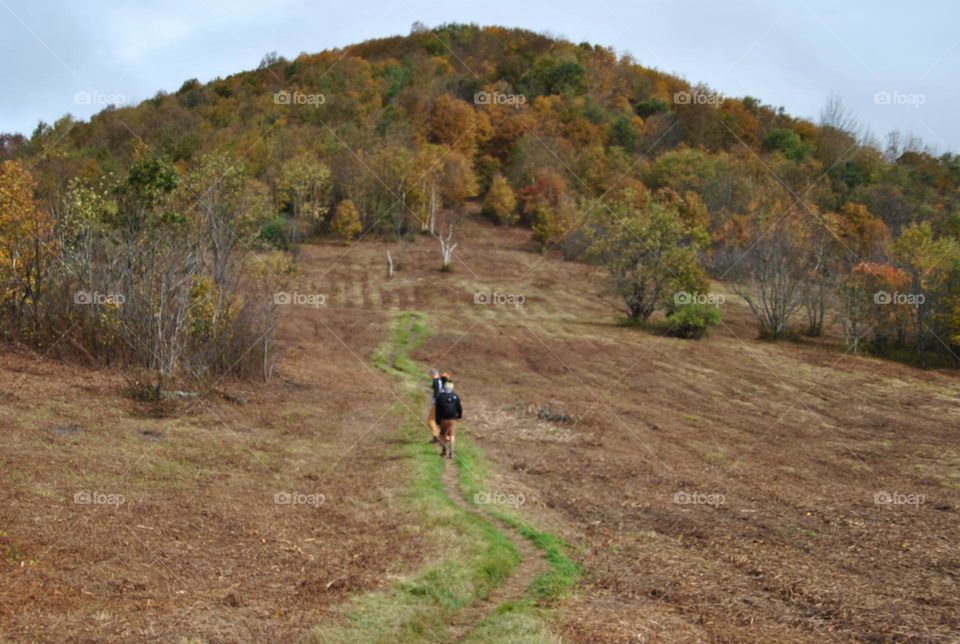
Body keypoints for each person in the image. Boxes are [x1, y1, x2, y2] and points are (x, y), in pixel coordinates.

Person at [434, 381, 462, 459]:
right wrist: (459, 415)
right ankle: (452, 453)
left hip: (443, 418)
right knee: (452, 435)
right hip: (453, 418)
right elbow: (459, 408)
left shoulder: (440, 397)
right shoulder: (455, 396)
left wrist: (437, 420)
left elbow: (437, 409)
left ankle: (444, 450)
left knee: (443, 435)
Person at [426, 369, 449, 443]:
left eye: (430, 375)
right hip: (444, 403)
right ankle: (442, 437)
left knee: (430, 421)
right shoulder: (441, 380)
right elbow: (445, 378)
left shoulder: (435, 382)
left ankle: (437, 436)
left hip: (438, 403)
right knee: (439, 421)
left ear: (432, 375)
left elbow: (437, 394)